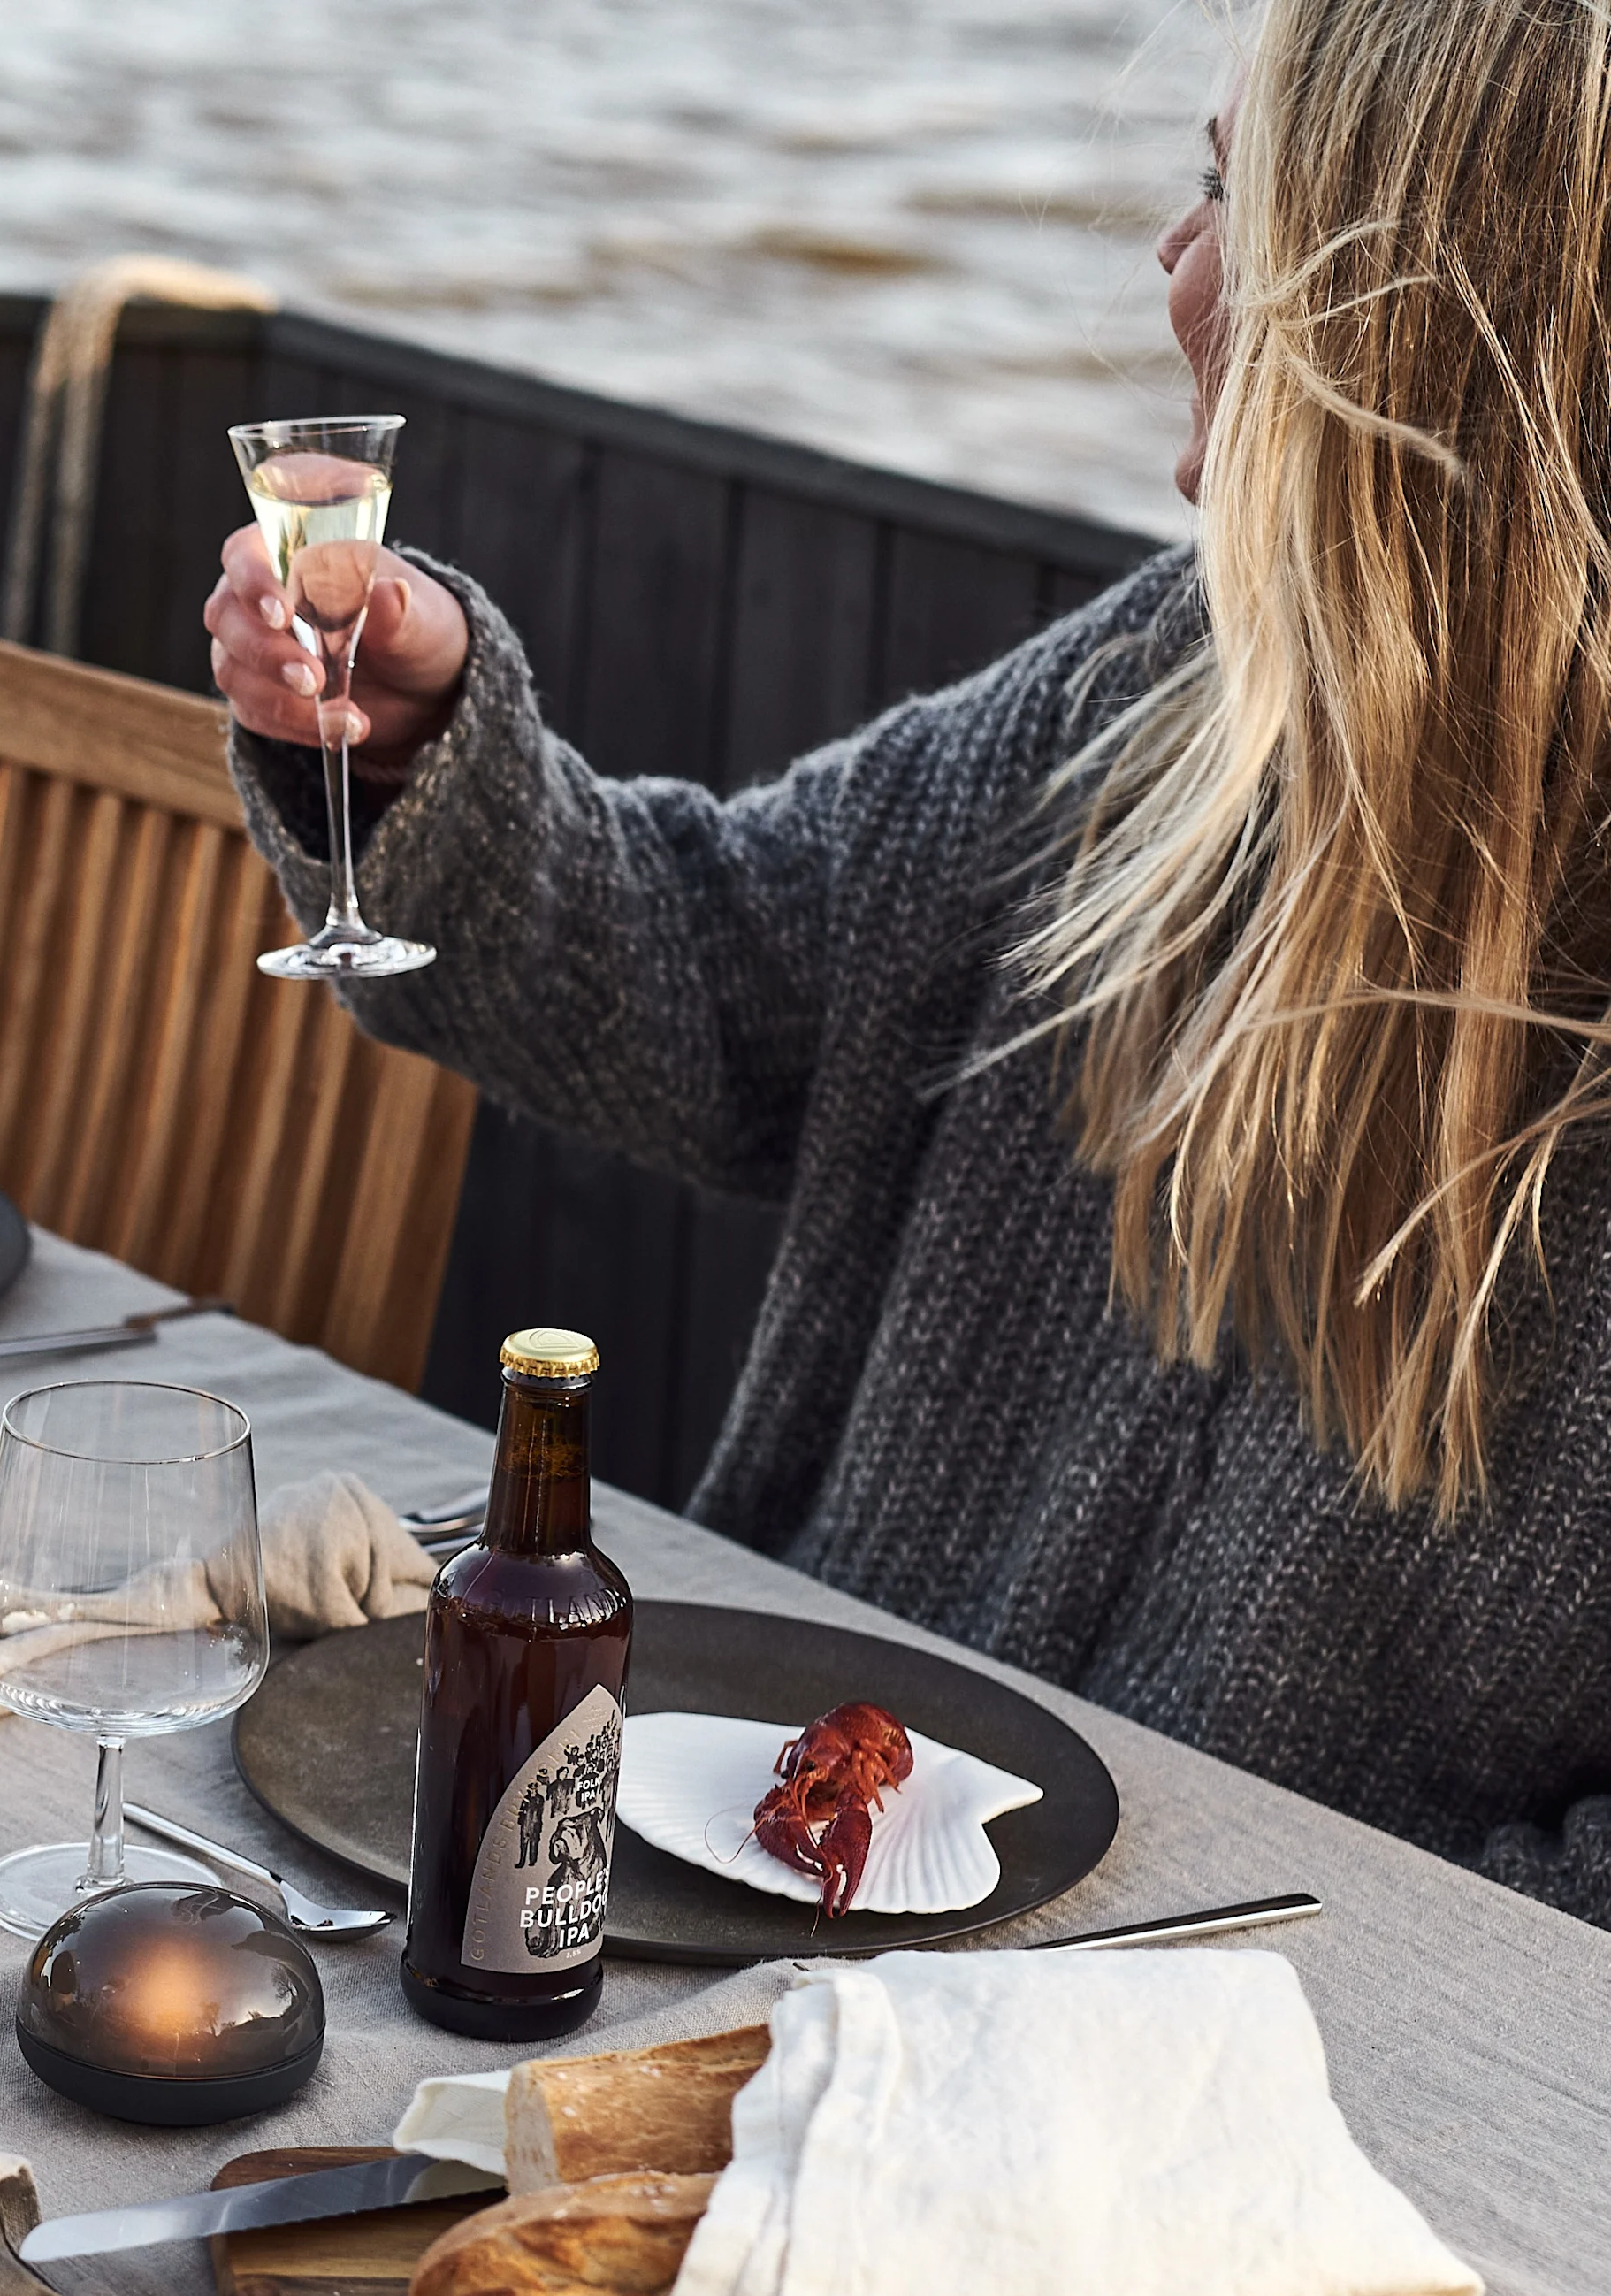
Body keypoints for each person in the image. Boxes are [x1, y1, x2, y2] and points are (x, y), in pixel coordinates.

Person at [210, 0, 1611, 1929]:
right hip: (750, 1879)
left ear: (1413, 325)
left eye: (1231, 191)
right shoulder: (1159, 683)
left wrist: (1232, 1984)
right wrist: (425, 741)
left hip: (1251, 2098)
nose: (1176, 256)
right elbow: (708, 982)